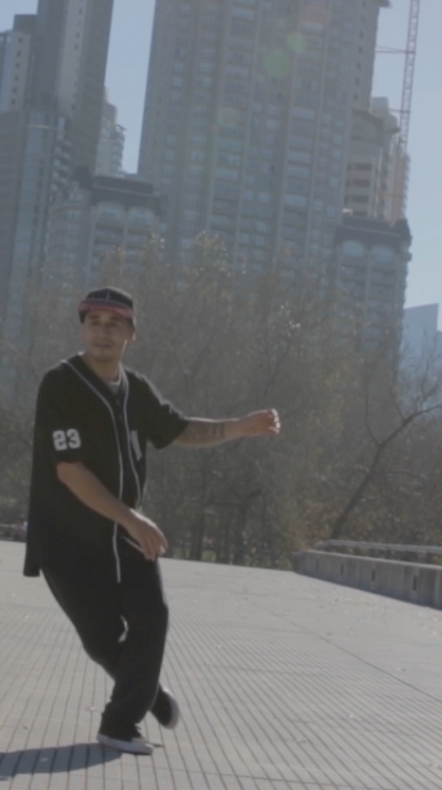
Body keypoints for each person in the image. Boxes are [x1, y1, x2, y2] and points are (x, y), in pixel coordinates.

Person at [24, 286, 281, 755]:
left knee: (152, 617)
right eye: (94, 322)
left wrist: (239, 427)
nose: (103, 333)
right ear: (83, 329)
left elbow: (179, 429)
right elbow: (69, 471)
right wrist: (132, 518)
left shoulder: (136, 389)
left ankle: (119, 723)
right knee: (103, 641)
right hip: (67, 539)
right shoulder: (60, 385)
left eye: (114, 324)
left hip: (125, 534)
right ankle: (150, 696)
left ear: (131, 334)